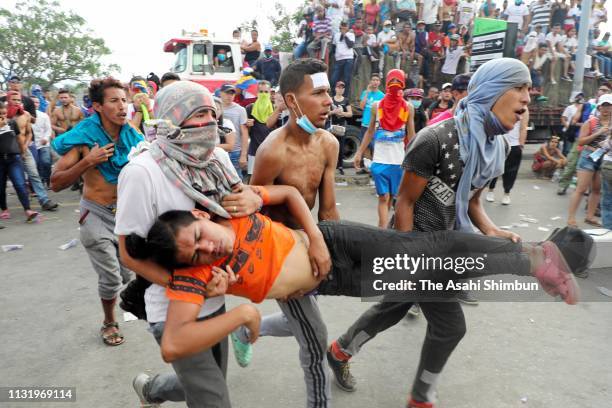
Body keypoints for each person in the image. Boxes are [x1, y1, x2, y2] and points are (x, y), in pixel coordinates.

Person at [124, 189, 584, 368]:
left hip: (335, 243)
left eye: (201, 236)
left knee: (432, 251)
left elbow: (286, 194)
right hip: (334, 280)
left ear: (202, 215)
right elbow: (173, 344)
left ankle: (534, 260)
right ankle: (533, 264)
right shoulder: (199, 273)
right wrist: (243, 312)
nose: (209, 248)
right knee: (428, 270)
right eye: (197, 253)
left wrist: (315, 239)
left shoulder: (235, 205)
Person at [327, 58, 532, 408]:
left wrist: (492, 230)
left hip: (449, 249)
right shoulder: (436, 138)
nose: (527, 98)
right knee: (450, 326)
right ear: (492, 91)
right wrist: (409, 256)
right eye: (519, 87)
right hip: (417, 243)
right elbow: (404, 203)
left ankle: (340, 351)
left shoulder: (495, 147)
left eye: (529, 88)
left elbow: (472, 202)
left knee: (393, 308)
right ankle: (421, 398)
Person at [115, 80, 263, 407]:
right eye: (198, 114)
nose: (209, 122)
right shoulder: (142, 173)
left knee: (203, 386)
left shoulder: (218, 160)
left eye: (213, 112)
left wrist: (253, 198)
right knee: (214, 399)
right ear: (170, 121)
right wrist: (188, 286)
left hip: (216, 302)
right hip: (170, 309)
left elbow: (241, 210)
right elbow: (128, 253)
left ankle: (152, 388)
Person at [246, 58, 340, 408]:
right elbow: (255, 215)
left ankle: (244, 330)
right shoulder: (272, 151)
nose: (329, 101)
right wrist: (280, 271)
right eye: (318, 93)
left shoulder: (328, 144)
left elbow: (328, 209)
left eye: (329, 92)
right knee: (315, 339)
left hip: (313, 245)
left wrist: (332, 248)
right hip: (281, 254)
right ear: (292, 101)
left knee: (301, 321)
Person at [50, 78, 144, 347]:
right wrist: (88, 161)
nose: (122, 106)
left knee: (125, 274)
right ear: (98, 107)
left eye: (124, 100)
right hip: (95, 214)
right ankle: (109, 322)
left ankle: (116, 292)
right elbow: (55, 183)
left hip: (125, 216)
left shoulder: (133, 136)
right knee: (112, 278)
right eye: (114, 101)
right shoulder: (84, 139)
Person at [354, 69, 416, 228]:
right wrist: (359, 152)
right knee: (383, 197)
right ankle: (382, 231)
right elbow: (369, 131)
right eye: (392, 81)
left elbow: (412, 135)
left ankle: (390, 227)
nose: (395, 84)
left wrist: (417, 158)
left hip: (399, 161)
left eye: (399, 81)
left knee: (394, 199)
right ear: (387, 83)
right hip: (380, 159)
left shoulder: (408, 108)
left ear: (403, 84)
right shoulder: (377, 106)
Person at [6, 91, 58, 211]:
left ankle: (44, 200)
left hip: (25, 150)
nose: (17, 102)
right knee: (16, 180)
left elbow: (29, 133)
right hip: (8, 153)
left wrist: (25, 146)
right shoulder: (4, 116)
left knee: (34, 174)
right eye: (14, 100)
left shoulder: (26, 115)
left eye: (19, 100)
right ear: (8, 100)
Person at [567, 94, 612, 227]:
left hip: (604, 158)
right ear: (599, 107)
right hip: (588, 156)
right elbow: (580, 141)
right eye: (604, 106)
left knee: (597, 189)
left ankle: (590, 216)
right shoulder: (591, 122)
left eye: (609, 106)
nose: (606, 109)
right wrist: (598, 133)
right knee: (581, 188)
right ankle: (571, 218)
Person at [0, 102, 39, 222]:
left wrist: (22, 153)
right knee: (1, 187)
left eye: (4, 113)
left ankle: (28, 210)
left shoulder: (12, 123)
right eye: (0, 114)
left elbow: (19, 139)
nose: (3, 116)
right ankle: (4, 209)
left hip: (14, 158)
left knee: (20, 183)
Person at [486, 108, 529, 205]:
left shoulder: (524, 109)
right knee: (494, 169)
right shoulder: (505, 103)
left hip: (514, 144)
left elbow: (523, 128)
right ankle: (490, 190)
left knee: (511, 171)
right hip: (499, 142)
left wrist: (520, 145)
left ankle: (507, 193)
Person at [219, 83, 249, 180]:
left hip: (235, 152)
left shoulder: (240, 110)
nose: (229, 96)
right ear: (221, 93)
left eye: (232, 93)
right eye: (227, 93)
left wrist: (243, 155)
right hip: (218, 150)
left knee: (236, 180)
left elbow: (244, 133)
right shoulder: (215, 107)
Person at [245, 81, 274, 178]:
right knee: (252, 179)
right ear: (257, 92)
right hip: (254, 151)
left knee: (268, 179)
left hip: (270, 152)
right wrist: (248, 125)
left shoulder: (275, 109)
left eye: (266, 92)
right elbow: (246, 133)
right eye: (261, 92)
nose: (263, 94)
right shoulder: (250, 108)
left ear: (270, 93)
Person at [358, 74, 385, 164]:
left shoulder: (382, 96)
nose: (375, 82)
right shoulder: (365, 92)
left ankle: (374, 165)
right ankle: (368, 166)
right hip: (365, 123)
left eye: (377, 80)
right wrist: (367, 93)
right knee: (365, 146)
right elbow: (361, 106)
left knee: (375, 146)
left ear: (379, 82)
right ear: (370, 82)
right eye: (373, 80)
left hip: (376, 125)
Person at [329, 81, 353, 175]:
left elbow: (350, 114)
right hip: (333, 126)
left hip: (342, 126)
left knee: (341, 147)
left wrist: (342, 113)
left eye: (342, 88)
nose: (340, 89)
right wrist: (334, 112)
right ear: (335, 88)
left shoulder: (346, 100)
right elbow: (327, 113)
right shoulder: (331, 100)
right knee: (331, 146)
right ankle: (331, 165)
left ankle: (340, 166)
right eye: (339, 87)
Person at [30, 96, 53, 188]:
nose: (35, 104)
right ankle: (41, 181)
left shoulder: (44, 116)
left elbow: (49, 129)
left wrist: (46, 138)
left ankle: (48, 179)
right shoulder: (25, 115)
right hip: (32, 144)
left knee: (46, 162)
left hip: (44, 143)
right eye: (33, 102)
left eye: (37, 102)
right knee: (37, 164)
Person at [330, 22, 356, 95]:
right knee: (333, 80)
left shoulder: (351, 34)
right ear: (340, 27)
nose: (343, 28)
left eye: (345, 26)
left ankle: (345, 98)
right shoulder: (336, 35)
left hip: (348, 59)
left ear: (348, 27)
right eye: (342, 26)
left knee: (346, 80)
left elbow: (350, 45)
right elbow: (333, 47)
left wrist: (344, 35)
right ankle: (334, 96)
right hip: (338, 60)